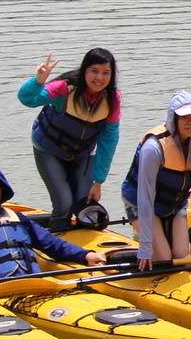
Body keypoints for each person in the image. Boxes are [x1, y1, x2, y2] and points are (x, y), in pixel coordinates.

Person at [0, 166, 105, 284]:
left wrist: (85, 255)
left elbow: (52, 244)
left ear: (2, 190)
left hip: (32, 283)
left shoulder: (18, 218)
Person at [18, 48, 122, 232]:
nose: (99, 78)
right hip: (48, 150)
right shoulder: (64, 88)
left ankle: (81, 240)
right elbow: (28, 98)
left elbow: (109, 142)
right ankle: (58, 233)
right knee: (64, 203)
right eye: (94, 71)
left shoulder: (112, 100)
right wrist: (38, 81)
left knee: (85, 202)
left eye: (106, 73)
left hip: (83, 153)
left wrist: (98, 182)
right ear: (84, 71)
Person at [121, 91, 191, 270]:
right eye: (184, 117)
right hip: (142, 202)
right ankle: (142, 256)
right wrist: (145, 246)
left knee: (181, 256)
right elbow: (145, 196)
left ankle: (159, 244)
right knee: (164, 258)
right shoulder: (154, 147)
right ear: (173, 119)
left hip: (175, 203)